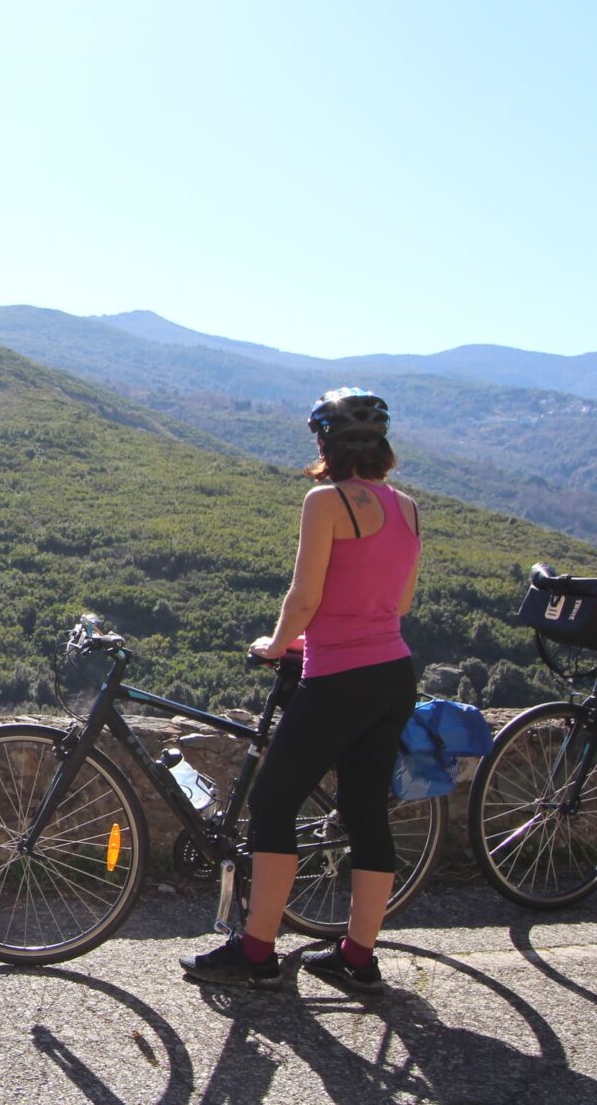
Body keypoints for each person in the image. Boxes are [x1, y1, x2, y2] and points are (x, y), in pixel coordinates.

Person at [181, 388, 421, 995]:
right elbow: (401, 603)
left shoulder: (328, 501)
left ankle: (257, 952)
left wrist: (275, 643)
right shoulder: (409, 508)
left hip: (339, 674)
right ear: (381, 447)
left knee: (273, 804)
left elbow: (305, 597)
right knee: (365, 812)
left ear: (325, 445)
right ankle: (358, 958)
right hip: (393, 671)